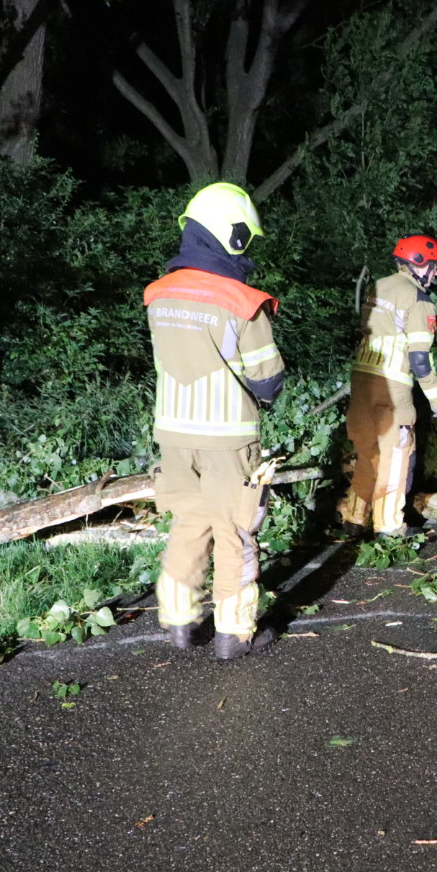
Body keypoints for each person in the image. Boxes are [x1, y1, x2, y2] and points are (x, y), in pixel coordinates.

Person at [145, 182, 286, 660]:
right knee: (234, 531)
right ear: (235, 236)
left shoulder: (157, 295)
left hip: (172, 433)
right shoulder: (244, 302)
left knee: (189, 522)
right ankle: (234, 633)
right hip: (227, 437)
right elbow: (268, 381)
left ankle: (180, 622)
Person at [341, 235, 437, 538]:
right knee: (395, 456)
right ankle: (389, 527)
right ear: (417, 263)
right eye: (433, 267)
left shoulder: (379, 286)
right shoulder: (418, 298)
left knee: (368, 453)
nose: (436, 274)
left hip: (361, 381)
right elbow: (419, 359)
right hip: (391, 388)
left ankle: (354, 518)